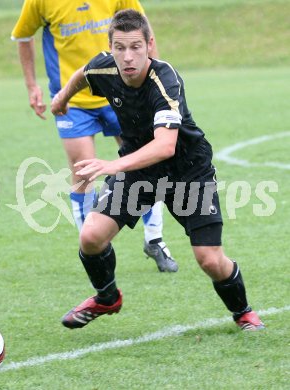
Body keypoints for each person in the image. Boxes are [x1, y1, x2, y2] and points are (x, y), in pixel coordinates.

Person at [51, 9, 265, 331]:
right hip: (141, 172)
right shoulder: (104, 67)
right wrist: (62, 99)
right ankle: (107, 297)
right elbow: (82, 74)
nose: (127, 57)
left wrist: (113, 165)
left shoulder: (164, 80)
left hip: (187, 171)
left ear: (150, 45)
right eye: (119, 48)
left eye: (136, 46)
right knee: (91, 237)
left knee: (209, 259)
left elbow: (165, 145)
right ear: (110, 49)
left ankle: (243, 312)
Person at [11, 0, 178, 273]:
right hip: (72, 99)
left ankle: (155, 240)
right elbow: (23, 36)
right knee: (83, 173)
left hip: (122, 92)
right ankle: (93, 249)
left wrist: (152, 87)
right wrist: (32, 85)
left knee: (146, 165)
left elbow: (143, 35)